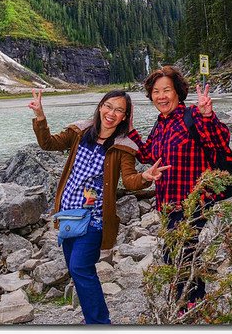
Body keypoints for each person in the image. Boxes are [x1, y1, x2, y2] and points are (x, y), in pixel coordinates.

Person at [29, 89, 170, 324]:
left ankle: (100, 323)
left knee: (80, 267)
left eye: (119, 110)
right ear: (100, 106)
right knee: (78, 271)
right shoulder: (79, 131)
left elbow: (130, 180)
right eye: (108, 106)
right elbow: (47, 143)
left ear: (125, 117)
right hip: (68, 214)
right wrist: (40, 116)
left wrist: (145, 176)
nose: (112, 113)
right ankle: (94, 320)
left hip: (94, 218)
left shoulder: (124, 146)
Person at [127, 65, 232, 309]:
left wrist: (208, 116)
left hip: (194, 200)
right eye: (155, 91)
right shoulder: (161, 123)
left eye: (167, 90)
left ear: (178, 92)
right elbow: (148, 155)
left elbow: (220, 139)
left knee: (180, 251)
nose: (161, 96)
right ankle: (189, 303)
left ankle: (190, 305)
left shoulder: (193, 115)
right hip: (168, 204)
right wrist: (131, 131)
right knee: (177, 253)